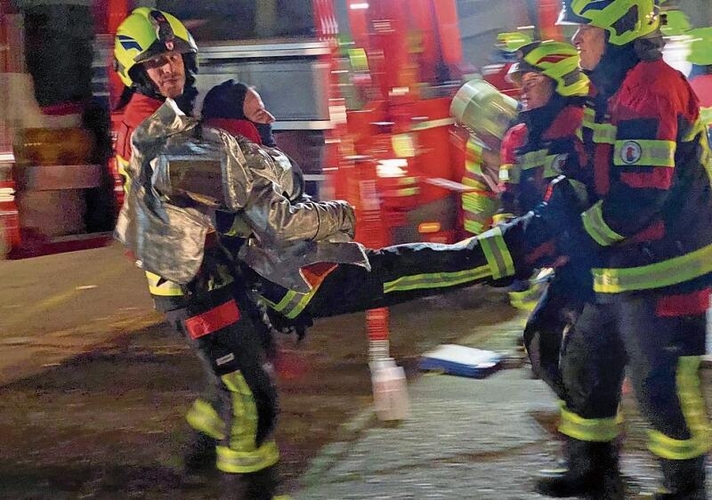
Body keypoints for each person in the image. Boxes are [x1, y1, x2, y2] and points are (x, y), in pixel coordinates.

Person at [112, 8, 524, 499]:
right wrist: (333, 211)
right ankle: (250, 487)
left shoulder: (175, 118)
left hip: (220, 272)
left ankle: (195, 456)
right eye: (156, 60)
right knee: (252, 400)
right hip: (198, 284)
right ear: (135, 72)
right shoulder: (154, 130)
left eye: (175, 54)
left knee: (243, 366)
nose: (169, 65)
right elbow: (261, 209)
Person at [532, 1, 712, 498]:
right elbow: (598, 173)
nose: (575, 42)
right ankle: (591, 469)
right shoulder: (610, 88)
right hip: (619, 267)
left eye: (584, 31)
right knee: (585, 368)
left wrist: (577, 236)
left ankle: (684, 488)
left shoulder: (651, 88)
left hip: (664, 270)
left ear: (618, 33)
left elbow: (641, 195)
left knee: (661, 388)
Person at [497, 40, 591, 396]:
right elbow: (509, 198)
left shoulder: (586, 126)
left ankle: (592, 421)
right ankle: (579, 410)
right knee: (538, 338)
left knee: (588, 347)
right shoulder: (518, 138)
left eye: (533, 81)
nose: (523, 90)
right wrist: (509, 248)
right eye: (522, 82)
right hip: (553, 256)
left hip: (595, 257)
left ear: (562, 82)